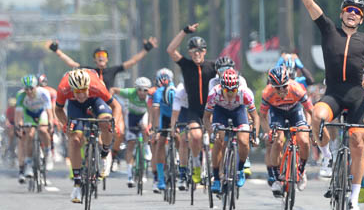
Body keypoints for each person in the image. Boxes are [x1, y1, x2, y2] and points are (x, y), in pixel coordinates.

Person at [292, 0, 364, 210]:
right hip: (332, 93)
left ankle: (354, 200)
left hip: (356, 96)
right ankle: (327, 155)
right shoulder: (329, 30)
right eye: (349, 10)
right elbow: (309, 2)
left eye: (357, 12)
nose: (352, 15)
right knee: (317, 118)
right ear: (342, 13)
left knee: (358, 141)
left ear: (362, 18)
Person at [54, 69, 124, 203]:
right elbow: (58, 109)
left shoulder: (96, 86)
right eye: (77, 92)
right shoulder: (63, 88)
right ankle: (77, 184)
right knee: (74, 140)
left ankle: (104, 155)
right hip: (75, 107)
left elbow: (116, 107)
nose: (81, 95)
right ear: (71, 89)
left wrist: (113, 124)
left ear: (88, 87)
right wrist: (65, 125)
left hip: (96, 100)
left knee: (105, 123)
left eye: (83, 91)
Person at [166, 24, 217, 184]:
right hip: (194, 110)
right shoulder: (186, 65)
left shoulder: (212, 66)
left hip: (211, 109)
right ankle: (195, 164)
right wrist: (184, 31)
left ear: (205, 51)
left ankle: (218, 171)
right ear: (190, 53)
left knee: (219, 139)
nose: (197, 54)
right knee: (195, 137)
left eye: (200, 50)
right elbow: (171, 50)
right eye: (194, 51)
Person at [260, 66, 313, 197]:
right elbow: (262, 116)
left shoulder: (297, 89)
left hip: (295, 111)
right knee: (277, 141)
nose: (282, 90)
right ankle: (277, 178)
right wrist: (268, 132)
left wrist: (309, 127)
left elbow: (311, 111)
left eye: (284, 86)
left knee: (304, 140)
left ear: (288, 83)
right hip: (277, 113)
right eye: (278, 88)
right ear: (272, 86)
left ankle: (301, 170)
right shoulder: (267, 93)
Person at [203, 69, 259, 192]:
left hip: (238, 112)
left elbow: (255, 116)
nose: (230, 93)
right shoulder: (214, 93)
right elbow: (206, 118)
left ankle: (240, 169)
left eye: (233, 90)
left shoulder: (244, 93)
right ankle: (217, 178)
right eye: (226, 90)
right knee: (219, 139)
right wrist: (211, 132)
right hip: (221, 112)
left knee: (243, 141)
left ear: (237, 87)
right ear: (221, 87)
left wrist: (254, 134)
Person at [47, 39, 158, 90]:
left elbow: (133, 61)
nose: (101, 57)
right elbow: (72, 63)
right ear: (94, 60)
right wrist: (57, 51)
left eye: (103, 55)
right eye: (98, 55)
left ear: (107, 59)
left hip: (108, 99)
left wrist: (145, 50)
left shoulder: (112, 70)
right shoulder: (89, 70)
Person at [111, 77, 153, 188]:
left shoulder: (150, 96)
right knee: (130, 144)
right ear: (136, 89)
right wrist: (109, 99)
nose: (142, 93)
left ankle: (146, 146)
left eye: (145, 90)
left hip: (144, 115)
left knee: (145, 129)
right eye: (140, 89)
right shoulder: (129, 92)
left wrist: (149, 126)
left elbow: (151, 112)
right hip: (131, 117)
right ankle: (130, 175)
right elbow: (113, 90)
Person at [14, 75, 53, 183]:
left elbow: (49, 111)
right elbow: (18, 114)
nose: (29, 91)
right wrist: (18, 126)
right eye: (26, 89)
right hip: (29, 114)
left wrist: (51, 123)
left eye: (31, 88)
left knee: (43, 130)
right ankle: (29, 163)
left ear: (36, 87)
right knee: (29, 134)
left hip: (41, 113)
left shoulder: (43, 93)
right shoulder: (21, 96)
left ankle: (47, 152)